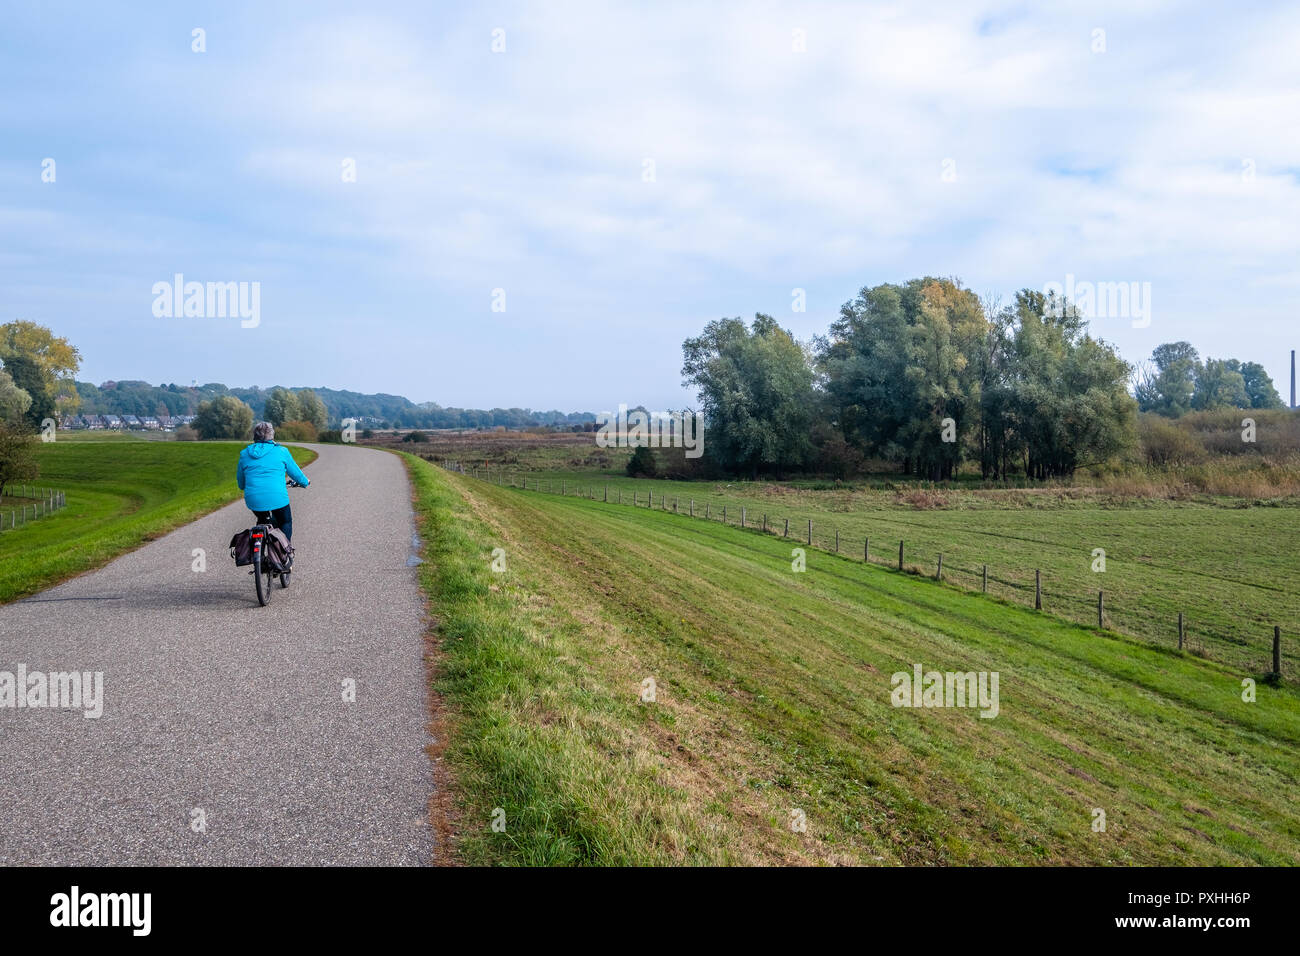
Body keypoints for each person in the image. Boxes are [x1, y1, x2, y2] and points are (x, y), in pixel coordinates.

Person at [237, 422, 309, 546]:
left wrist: (244, 486)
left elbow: (241, 482)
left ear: (255, 436)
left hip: (253, 499)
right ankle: (284, 553)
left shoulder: (244, 454)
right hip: (277, 497)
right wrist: (305, 482)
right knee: (285, 521)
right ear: (272, 435)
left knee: (262, 518)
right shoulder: (281, 451)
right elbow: (296, 474)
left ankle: (258, 548)